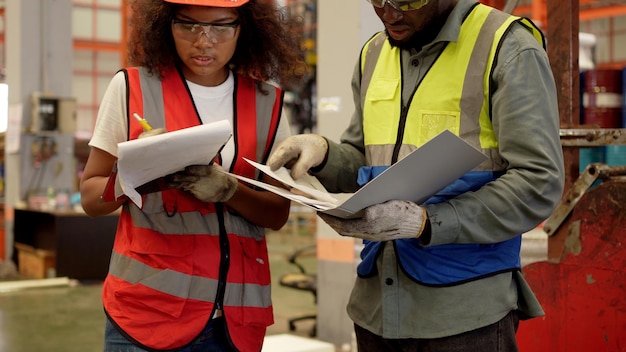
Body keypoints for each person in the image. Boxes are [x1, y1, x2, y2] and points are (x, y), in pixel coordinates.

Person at [267, 0, 565, 351]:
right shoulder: (374, 53)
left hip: (463, 320)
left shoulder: (507, 48)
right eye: (378, 0)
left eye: (407, 1)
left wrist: (427, 222)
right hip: (375, 311)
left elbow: (538, 182)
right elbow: (365, 162)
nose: (389, 14)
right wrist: (324, 154)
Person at [79, 0, 307, 351]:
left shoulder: (268, 103)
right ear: (165, 24)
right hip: (149, 314)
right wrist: (137, 170)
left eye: (221, 26)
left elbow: (277, 213)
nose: (203, 41)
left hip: (235, 319)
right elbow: (92, 200)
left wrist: (230, 190)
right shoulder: (133, 89)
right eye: (187, 25)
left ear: (243, 28)